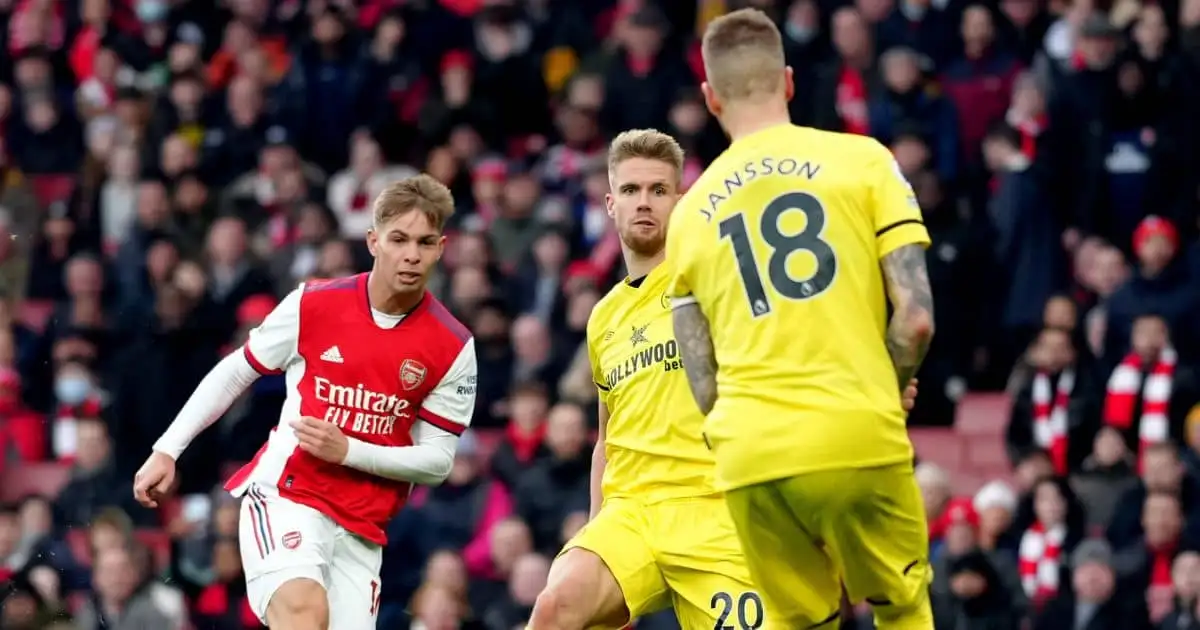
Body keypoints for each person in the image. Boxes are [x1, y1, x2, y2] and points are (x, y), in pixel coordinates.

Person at [528, 129, 920, 629]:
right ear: (609, 203)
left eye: (658, 190)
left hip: (718, 511)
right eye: (630, 191)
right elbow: (606, 438)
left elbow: (794, 355)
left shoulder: (718, 281)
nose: (643, 203)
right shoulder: (604, 317)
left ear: (681, 200)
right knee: (554, 606)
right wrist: (597, 526)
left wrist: (875, 386)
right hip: (631, 514)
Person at [665, 8, 936, 630]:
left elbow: (702, 383)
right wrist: (889, 385)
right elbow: (915, 318)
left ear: (710, 98)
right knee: (902, 607)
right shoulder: (863, 161)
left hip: (750, 455)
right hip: (855, 432)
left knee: (801, 622)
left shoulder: (689, 213)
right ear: (788, 81)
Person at [132, 175, 478, 630]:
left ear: (440, 248)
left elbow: (437, 462)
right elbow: (239, 368)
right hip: (287, 493)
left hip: (362, 528)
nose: (411, 254)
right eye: (398, 239)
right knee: (304, 613)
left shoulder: (453, 345)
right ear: (373, 241)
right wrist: (167, 448)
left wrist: (348, 451)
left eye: (424, 242)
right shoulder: (314, 304)